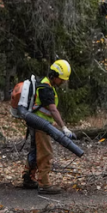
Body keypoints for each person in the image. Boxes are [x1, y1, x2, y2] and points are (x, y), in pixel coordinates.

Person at [22, 59, 74, 194]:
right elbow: (53, 110)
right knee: (45, 154)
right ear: (54, 76)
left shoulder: (43, 85)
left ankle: (28, 177)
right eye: (61, 79)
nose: (62, 82)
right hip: (41, 126)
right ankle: (44, 184)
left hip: (37, 123)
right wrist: (64, 127)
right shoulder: (46, 89)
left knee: (34, 151)